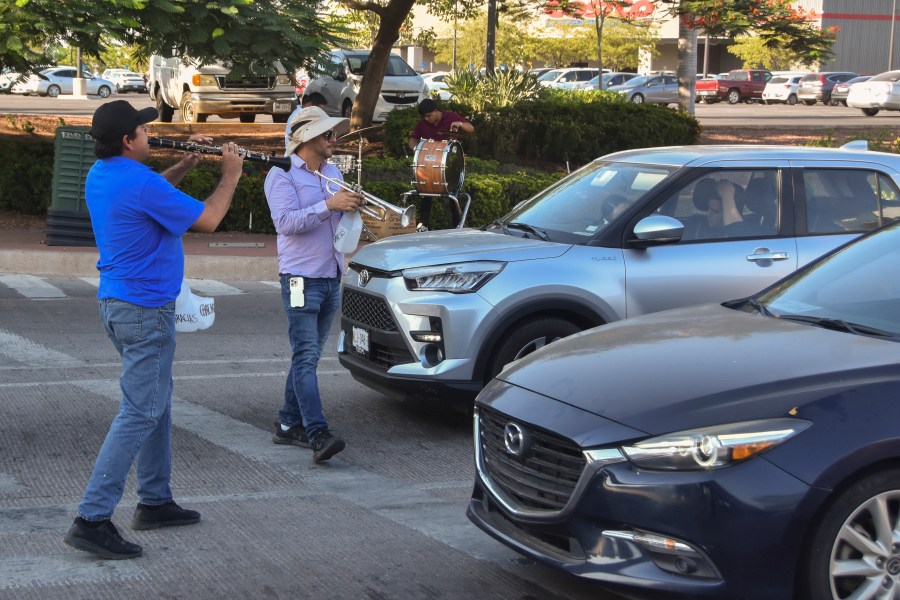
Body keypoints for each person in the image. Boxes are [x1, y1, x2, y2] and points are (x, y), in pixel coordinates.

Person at [64, 100, 244, 560]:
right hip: (145, 311)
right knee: (140, 411)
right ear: (129, 141)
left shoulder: (103, 174)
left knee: (155, 403)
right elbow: (207, 219)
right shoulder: (139, 182)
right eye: (144, 129)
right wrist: (231, 174)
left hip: (117, 305)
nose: (150, 134)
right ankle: (92, 518)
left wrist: (183, 164)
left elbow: (153, 198)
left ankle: (155, 501)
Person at [265, 106, 363, 463]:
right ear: (307, 138)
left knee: (307, 356)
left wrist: (350, 206)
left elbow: (337, 219)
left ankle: (289, 423)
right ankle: (317, 432)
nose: (333, 140)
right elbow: (286, 223)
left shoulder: (332, 172)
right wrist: (328, 204)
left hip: (330, 276)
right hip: (299, 279)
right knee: (305, 356)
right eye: (328, 135)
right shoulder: (282, 176)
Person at [408, 98, 475, 230]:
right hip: (430, 163)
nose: (426, 119)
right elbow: (412, 140)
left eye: (429, 115)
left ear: (436, 111)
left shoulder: (450, 117)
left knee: (453, 191)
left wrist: (459, 123)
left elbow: (471, 128)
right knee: (426, 189)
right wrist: (418, 151)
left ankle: (457, 226)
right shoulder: (422, 124)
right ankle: (423, 224)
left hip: (450, 162)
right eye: (424, 117)